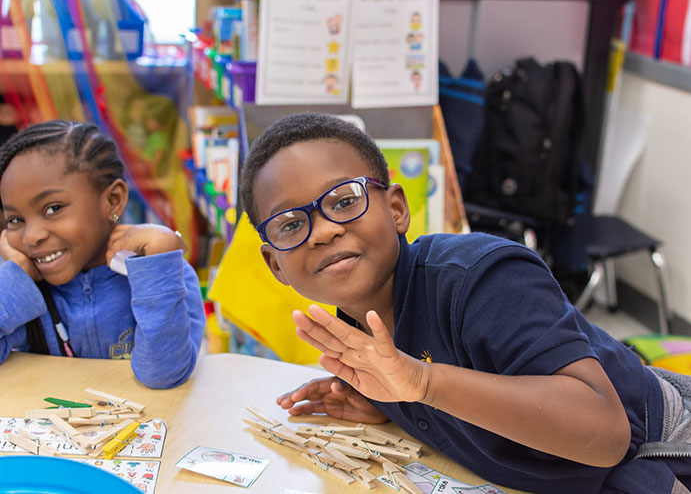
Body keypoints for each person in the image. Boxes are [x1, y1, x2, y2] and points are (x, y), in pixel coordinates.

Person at [239, 112, 691, 494]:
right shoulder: (361, 328)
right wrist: (394, 403)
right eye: (290, 225)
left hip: (666, 456)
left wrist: (422, 385)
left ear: (396, 209)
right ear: (275, 264)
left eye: (343, 200)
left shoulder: (482, 278)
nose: (322, 230)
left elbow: (608, 435)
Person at [0, 120, 205, 389]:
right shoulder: (22, 287)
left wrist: (158, 263)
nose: (31, 236)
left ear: (112, 200)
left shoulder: (165, 274)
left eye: (53, 208)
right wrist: (15, 277)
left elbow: (164, 375)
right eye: (15, 220)